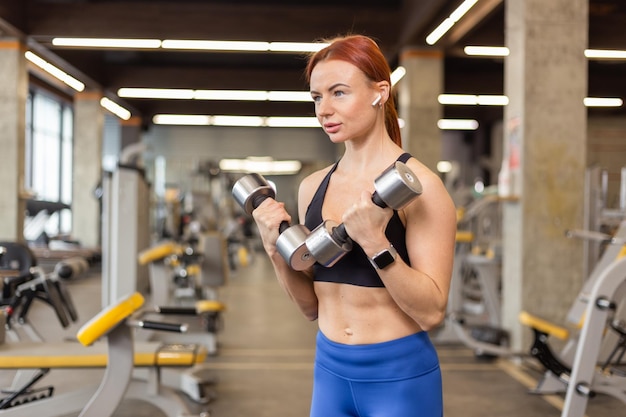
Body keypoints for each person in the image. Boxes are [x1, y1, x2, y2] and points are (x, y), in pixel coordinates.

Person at [250, 34, 457, 417]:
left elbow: (431, 313)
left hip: (400, 378)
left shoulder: (421, 187)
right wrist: (272, 248)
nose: (324, 109)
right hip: (330, 371)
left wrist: (376, 242)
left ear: (380, 92)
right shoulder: (312, 187)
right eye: (316, 97)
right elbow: (311, 307)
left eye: (339, 93)